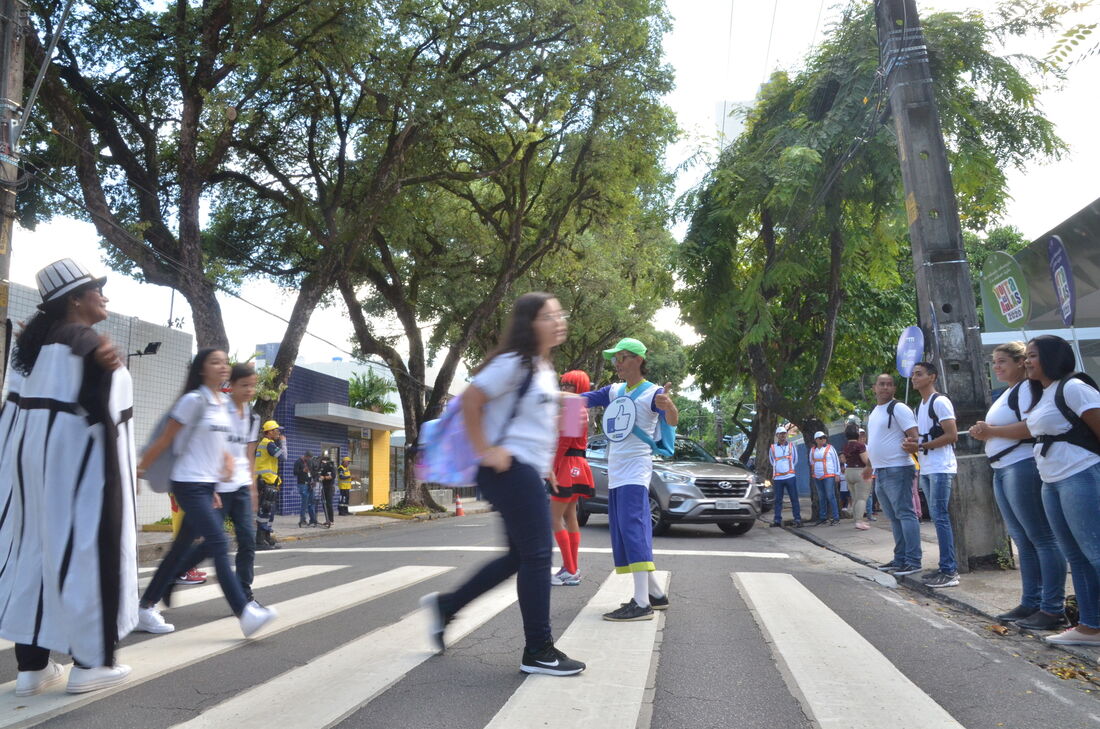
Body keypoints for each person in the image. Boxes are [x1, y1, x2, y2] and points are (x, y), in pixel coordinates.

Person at [420, 292, 585, 676]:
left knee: (519, 557)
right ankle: (538, 650)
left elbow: (534, 425)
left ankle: (447, 606)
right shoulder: (514, 363)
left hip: (524, 470)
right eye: (549, 316)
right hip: (506, 468)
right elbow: (472, 401)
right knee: (539, 555)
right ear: (529, 324)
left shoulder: (543, 368)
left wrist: (547, 467)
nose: (558, 321)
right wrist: (486, 449)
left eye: (560, 314)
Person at [0, 259, 136, 695]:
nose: (104, 295)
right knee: (85, 557)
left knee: (32, 558)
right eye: (97, 288)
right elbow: (102, 419)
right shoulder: (84, 342)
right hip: (79, 479)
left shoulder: (33, 349)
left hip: (28, 480)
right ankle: (91, 663)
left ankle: (31, 669)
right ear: (75, 299)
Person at [136, 349, 278, 638]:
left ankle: (146, 605)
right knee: (218, 541)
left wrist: (218, 480)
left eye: (225, 362)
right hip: (186, 483)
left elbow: (216, 447)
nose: (222, 366)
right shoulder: (193, 401)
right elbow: (166, 440)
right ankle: (244, 611)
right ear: (201, 369)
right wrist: (138, 471)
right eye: (215, 362)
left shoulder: (221, 403)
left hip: (206, 486)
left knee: (180, 549)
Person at [973, 335, 1099, 645]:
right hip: (1052, 480)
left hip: (1079, 474)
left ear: (1053, 358)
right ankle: (1090, 626)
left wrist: (991, 432)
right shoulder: (1042, 393)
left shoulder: (1073, 387)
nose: (1028, 361)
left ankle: (1062, 612)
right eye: (1026, 356)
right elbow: (1032, 428)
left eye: (1033, 356)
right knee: (1076, 555)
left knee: (1094, 552)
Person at [580, 337, 678, 622]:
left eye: (621, 358)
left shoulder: (653, 393)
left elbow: (671, 420)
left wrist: (669, 406)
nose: (617, 364)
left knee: (634, 530)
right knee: (625, 530)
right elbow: (584, 399)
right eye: (614, 359)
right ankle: (656, 594)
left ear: (637, 359)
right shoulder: (614, 390)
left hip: (635, 471)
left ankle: (641, 603)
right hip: (616, 472)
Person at [969, 342, 1066, 630]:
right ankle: (1030, 601)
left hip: (1020, 466)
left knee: (1042, 538)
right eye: (995, 362)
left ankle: (1051, 607)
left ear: (1020, 362)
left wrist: (990, 431)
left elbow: (1029, 427)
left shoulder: (1025, 389)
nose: (997, 367)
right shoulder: (1009, 392)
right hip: (1002, 468)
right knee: (1023, 540)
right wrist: (986, 433)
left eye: (1002, 362)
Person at [168, 364, 267, 599]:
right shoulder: (218, 412)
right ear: (230, 386)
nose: (249, 391)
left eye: (253, 386)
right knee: (212, 542)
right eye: (244, 385)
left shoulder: (253, 417)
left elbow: (249, 453)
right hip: (217, 487)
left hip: (241, 486)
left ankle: (245, 594)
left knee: (247, 540)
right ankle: (174, 572)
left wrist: (252, 488)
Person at [902, 362, 960, 588]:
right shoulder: (921, 406)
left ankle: (950, 570)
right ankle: (945, 566)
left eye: (919, 374)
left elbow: (952, 435)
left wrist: (921, 446)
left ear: (932, 377)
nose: (914, 378)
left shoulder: (940, 401)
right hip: (927, 468)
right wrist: (914, 443)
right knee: (937, 517)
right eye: (913, 374)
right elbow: (925, 438)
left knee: (940, 516)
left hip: (941, 467)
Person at [864, 373, 922, 577]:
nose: (885, 388)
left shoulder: (898, 408)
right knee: (894, 517)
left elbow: (914, 436)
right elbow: (874, 442)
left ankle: (913, 561)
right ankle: (900, 559)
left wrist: (910, 445)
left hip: (898, 468)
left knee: (905, 514)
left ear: (894, 389)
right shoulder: (875, 412)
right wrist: (870, 466)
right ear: (874, 388)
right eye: (881, 384)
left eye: (889, 385)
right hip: (881, 471)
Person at [549, 370, 595, 586]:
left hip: (567, 465)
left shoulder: (574, 408)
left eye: (569, 385)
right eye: (563, 384)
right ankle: (570, 568)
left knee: (554, 518)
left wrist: (552, 467)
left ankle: (571, 569)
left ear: (578, 387)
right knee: (569, 516)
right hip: (578, 466)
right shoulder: (580, 409)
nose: (564, 388)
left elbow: (563, 443)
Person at [254, 420, 286, 549]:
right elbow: (283, 457)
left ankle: (266, 538)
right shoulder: (269, 444)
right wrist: (283, 442)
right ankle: (260, 541)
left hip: (267, 482)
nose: (279, 433)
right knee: (265, 512)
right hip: (266, 482)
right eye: (276, 430)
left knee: (269, 511)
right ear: (269, 432)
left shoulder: (266, 444)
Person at [769, 426, 802, 527]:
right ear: (777, 436)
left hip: (790, 476)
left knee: (794, 498)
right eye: (780, 434)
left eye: (784, 433)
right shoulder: (773, 447)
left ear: (786, 435)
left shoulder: (791, 446)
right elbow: (772, 461)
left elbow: (795, 459)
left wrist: (789, 469)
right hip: (778, 478)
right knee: (778, 500)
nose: (782, 435)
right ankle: (777, 520)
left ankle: (797, 519)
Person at [842, 422, 872, 530]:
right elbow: (865, 460)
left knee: (855, 498)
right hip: (859, 471)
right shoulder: (860, 445)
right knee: (862, 498)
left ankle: (856, 520)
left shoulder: (845, 446)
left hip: (848, 471)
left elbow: (843, 459)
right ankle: (859, 521)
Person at [809, 431, 840, 526]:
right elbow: (811, 461)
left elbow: (836, 461)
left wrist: (837, 474)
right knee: (821, 497)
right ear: (816, 440)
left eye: (824, 437)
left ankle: (836, 517)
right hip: (817, 476)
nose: (823, 439)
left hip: (829, 475)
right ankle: (823, 517)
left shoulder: (830, 448)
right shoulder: (813, 450)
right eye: (821, 438)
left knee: (830, 496)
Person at [295, 451, 317, 527]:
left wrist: (313, 481)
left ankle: (312, 520)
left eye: (310, 458)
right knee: (304, 503)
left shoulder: (309, 462)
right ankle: (302, 520)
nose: (310, 459)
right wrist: (303, 471)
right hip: (302, 484)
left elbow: (311, 472)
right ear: (305, 456)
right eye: (309, 458)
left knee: (311, 502)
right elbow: (295, 472)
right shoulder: (298, 461)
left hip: (309, 484)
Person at [318, 452, 337, 527]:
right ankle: (327, 520)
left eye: (323, 461)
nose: (322, 463)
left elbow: (332, 476)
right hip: (324, 486)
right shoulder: (324, 467)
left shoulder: (331, 466)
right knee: (324, 503)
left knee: (329, 504)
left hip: (329, 487)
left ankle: (331, 520)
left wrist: (324, 477)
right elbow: (320, 474)